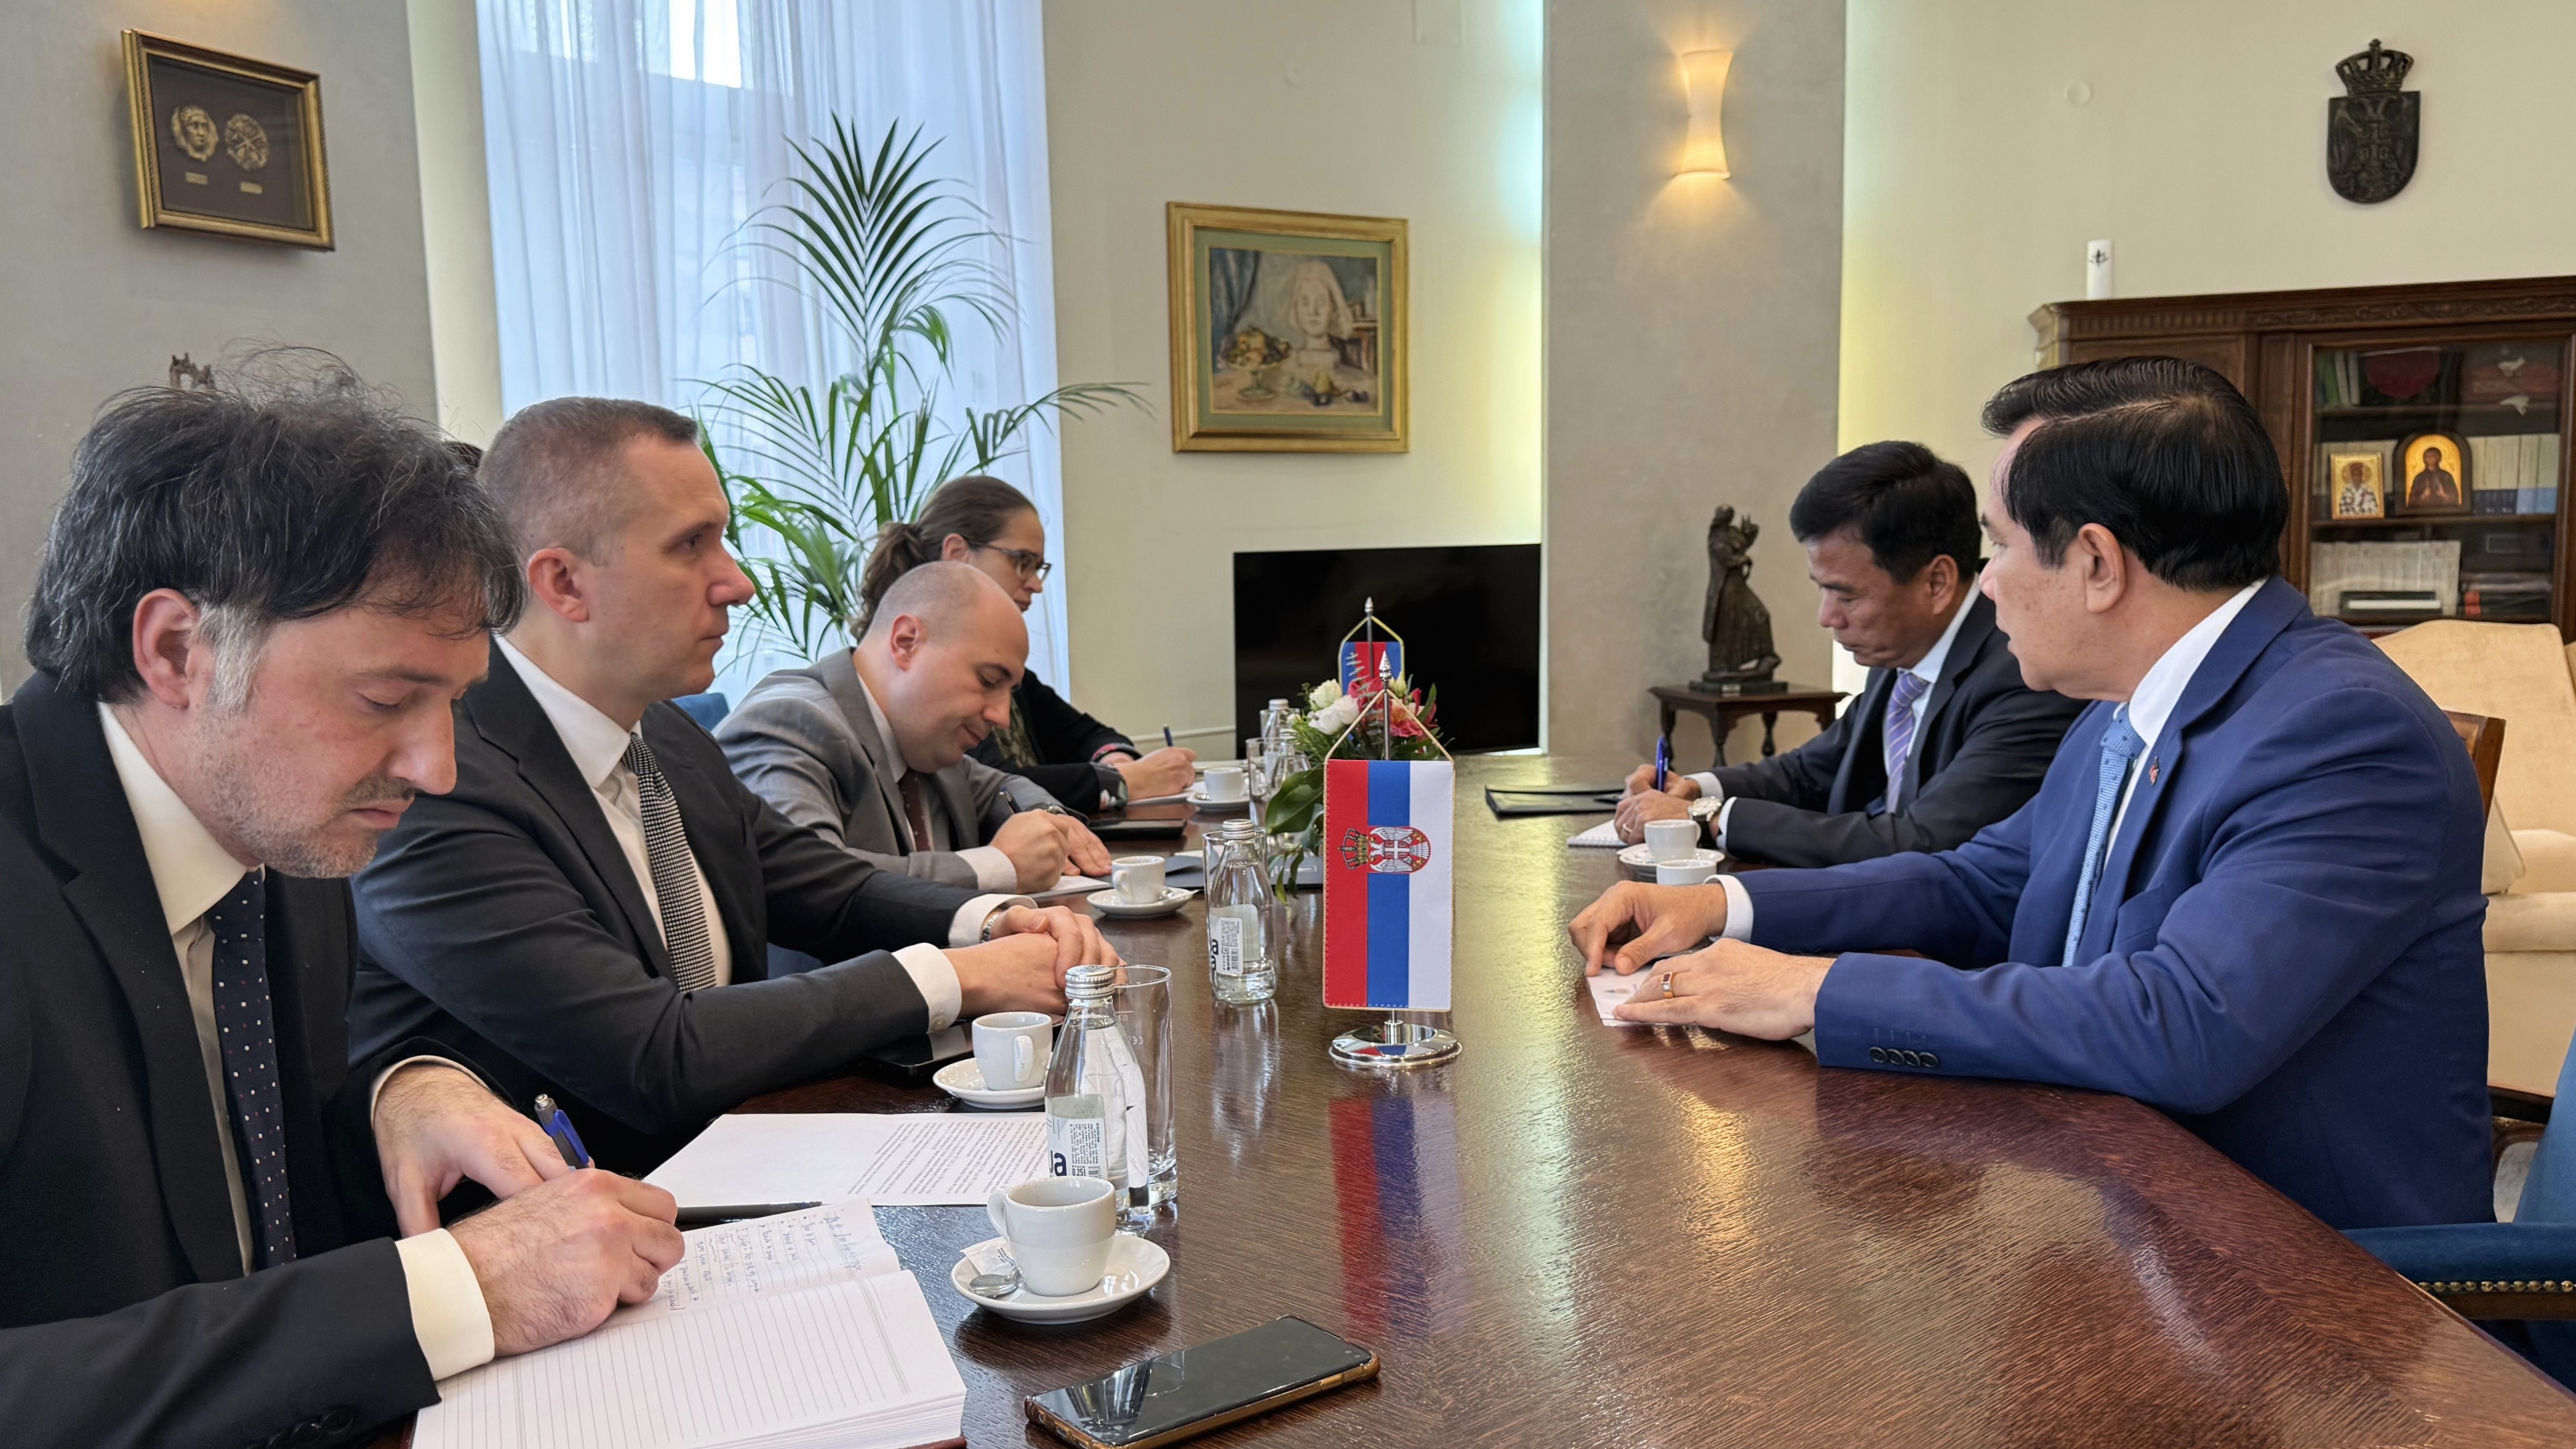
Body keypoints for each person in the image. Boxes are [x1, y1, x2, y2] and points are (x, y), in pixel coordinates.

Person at [1569, 357, 2490, 1231]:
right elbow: (1979, 882)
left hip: (2298, 1277)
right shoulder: (2120, 705)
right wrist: (1719, 905)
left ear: (2096, 563)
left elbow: (2183, 1023)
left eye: (2001, 546)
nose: (1988, 583)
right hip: (2106, 1193)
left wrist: (1817, 988)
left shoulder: (2342, 732)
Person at [0, 370, 684, 1447]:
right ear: (176, 650)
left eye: (453, 703)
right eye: (386, 699)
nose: (436, 768)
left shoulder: (278, 833)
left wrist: (398, 1093)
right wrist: (455, 1293)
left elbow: (244, 1194)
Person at [350, 400, 1118, 1171]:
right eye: (692, 546)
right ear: (564, 583)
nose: (738, 583)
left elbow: (829, 890)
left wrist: (993, 922)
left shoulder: (668, 737)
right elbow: (654, 1055)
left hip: (751, 1167)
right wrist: (956, 976)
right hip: (589, 1219)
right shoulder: (437, 783)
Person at [1618, 442, 2084, 866]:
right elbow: (1811, 771)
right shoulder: (1904, 648)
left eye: (1847, 596)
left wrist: (1707, 819)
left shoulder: (2022, 673)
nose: (1827, 617)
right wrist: (1694, 789)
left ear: (1937, 582)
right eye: (1823, 590)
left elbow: (1923, 842)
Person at [717, 562, 1113, 893]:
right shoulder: (789, 722)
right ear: (906, 642)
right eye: (989, 680)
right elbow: (813, 881)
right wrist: (997, 866)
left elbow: (1002, 786)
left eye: (1009, 692)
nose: (1002, 717)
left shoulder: (923, 739)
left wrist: (1049, 820)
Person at [856, 475, 1198, 812]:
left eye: (1038, 567)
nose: (1036, 584)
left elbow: (1084, 735)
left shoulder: (1009, 672)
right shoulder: (916, 682)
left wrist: (1116, 761)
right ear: (957, 554)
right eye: (1022, 562)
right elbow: (991, 786)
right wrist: (1121, 782)